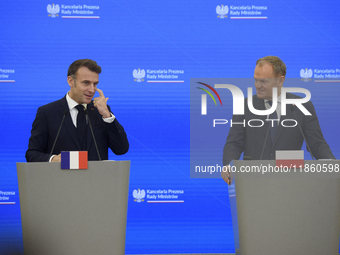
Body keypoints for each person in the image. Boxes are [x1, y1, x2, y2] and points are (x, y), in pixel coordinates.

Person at [222, 56, 335, 184]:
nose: (257, 86)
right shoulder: (245, 106)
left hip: (290, 183)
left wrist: (331, 163)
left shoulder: (302, 106)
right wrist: (228, 165)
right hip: (253, 183)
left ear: (280, 81)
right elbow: (234, 143)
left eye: (263, 81)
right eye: (255, 80)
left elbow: (316, 143)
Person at [26, 59, 129, 162]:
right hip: (62, 177)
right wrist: (53, 160)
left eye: (95, 84)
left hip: (96, 177)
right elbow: (32, 154)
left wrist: (107, 115)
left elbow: (121, 149)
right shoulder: (47, 112)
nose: (92, 90)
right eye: (86, 83)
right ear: (71, 81)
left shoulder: (102, 112)